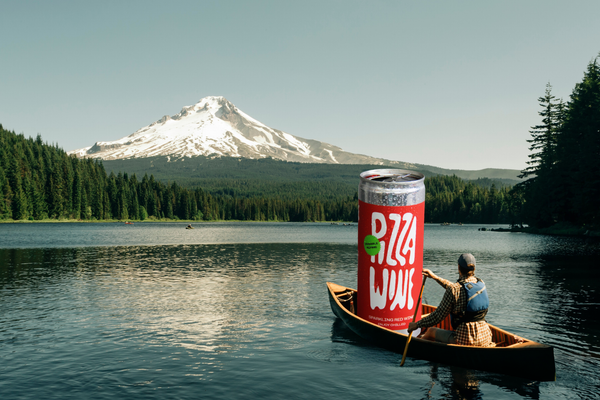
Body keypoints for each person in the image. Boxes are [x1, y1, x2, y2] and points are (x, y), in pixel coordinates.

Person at [408, 253, 495, 347]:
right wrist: (435, 277)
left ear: (458, 267)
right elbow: (456, 288)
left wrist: (416, 325)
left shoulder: (455, 289)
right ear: (474, 268)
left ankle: (413, 348)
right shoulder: (480, 283)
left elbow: (438, 316)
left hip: (466, 339)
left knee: (430, 331)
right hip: (485, 337)